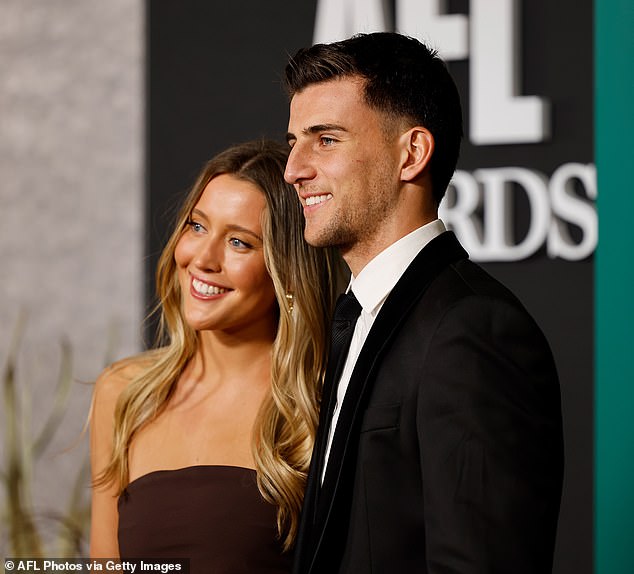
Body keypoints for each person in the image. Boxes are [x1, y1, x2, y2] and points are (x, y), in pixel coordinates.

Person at [283, 32, 564, 574]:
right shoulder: (357, 318)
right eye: (294, 141)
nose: (293, 168)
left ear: (411, 153)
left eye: (325, 139)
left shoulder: (472, 328)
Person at [89, 140, 341, 572]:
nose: (202, 259)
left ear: (287, 270)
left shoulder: (321, 405)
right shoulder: (125, 393)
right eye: (197, 227)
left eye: (239, 243)